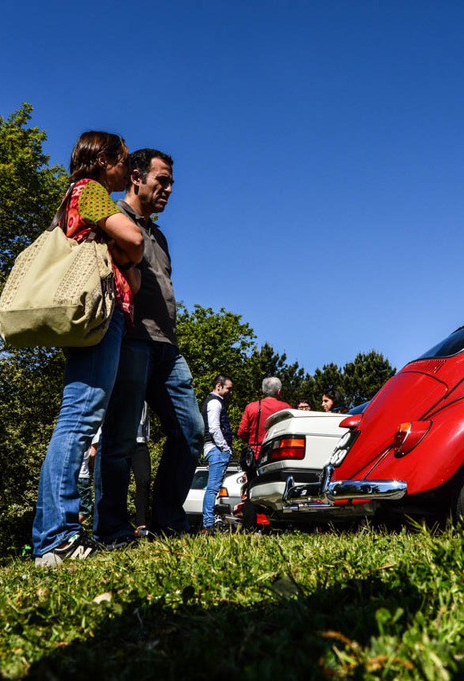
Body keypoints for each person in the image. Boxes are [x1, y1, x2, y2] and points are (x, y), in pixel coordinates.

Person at [31, 131, 144, 566]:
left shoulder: (84, 197)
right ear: (102, 160)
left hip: (102, 316)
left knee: (79, 415)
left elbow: (132, 276)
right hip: (99, 317)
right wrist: (124, 244)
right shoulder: (92, 192)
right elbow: (133, 244)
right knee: (78, 417)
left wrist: (123, 251)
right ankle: (57, 537)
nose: (128, 169)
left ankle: (54, 534)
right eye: (123, 161)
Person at [93, 149, 204, 543]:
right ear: (136, 177)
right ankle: (112, 528)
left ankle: (168, 521)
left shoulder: (158, 235)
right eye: (162, 180)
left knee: (191, 431)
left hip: (167, 347)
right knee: (121, 438)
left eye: (171, 182)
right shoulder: (112, 220)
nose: (169, 189)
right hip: (129, 341)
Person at [200, 375, 234, 532]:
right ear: (219, 386)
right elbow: (214, 428)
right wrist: (225, 447)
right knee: (213, 488)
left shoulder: (214, 402)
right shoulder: (215, 402)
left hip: (214, 448)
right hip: (216, 449)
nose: (230, 392)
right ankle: (208, 523)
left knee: (214, 487)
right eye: (229, 388)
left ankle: (209, 521)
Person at [237, 377, 292, 462]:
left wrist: (252, 441)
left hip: (255, 454)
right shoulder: (286, 408)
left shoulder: (251, 407)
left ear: (263, 391)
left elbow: (241, 432)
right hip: (277, 453)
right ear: (279, 391)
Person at [131, 403, 152, 535]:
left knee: (144, 480)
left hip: (140, 441)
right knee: (118, 481)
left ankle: (141, 524)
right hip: (121, 439)